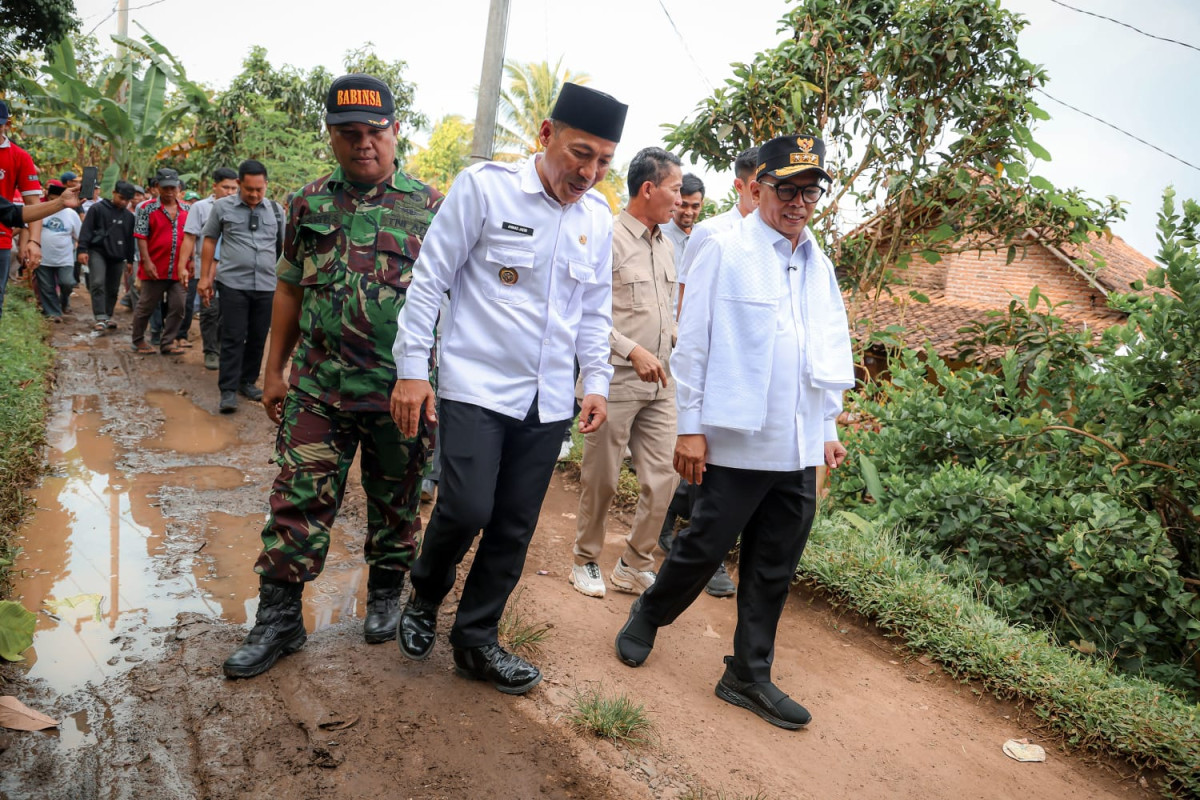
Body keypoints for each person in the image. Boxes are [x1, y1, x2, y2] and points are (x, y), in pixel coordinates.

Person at [391, 82, 626, 695]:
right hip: (476, 383)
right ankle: (423, 596)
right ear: (546, 135)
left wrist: (595, 381)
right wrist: (414, 369)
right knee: (467, 507)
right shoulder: (485, 188)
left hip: (547, 399)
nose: (590, 172)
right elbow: (429, 280)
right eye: (581, 153)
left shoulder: (596, 220)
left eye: (603, 160)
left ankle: (475, 639)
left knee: (515, 525)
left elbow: (595, 310)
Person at [614, 134, 854, 731]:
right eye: (786, 189)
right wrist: (689, 429)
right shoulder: (725, 246)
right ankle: (649, 613)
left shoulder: (816, 261)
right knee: (702, 545)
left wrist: (825, 426)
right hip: (739, 438)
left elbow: (819, 348)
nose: (799, 202)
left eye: (810, 191)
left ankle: (747, 673)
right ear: (755, 188)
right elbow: (692, 344)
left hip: (796, 445)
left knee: (775, 563)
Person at [221, 74, 443, 679]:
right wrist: (274, 370)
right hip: (319, 385)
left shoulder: (432, 207)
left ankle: (385, 596)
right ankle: (280, 617)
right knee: (296, 498)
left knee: (396, 500)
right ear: (331, 136)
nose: (363, 143)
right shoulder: (308, 202)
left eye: (375, 131)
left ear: (396, 132)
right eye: (349, 133)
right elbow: (289, 288)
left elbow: (461, 304)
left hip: (398, 392)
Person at [571, 147, 682, 599]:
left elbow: (667, 310)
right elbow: (584, 310)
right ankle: (585, 559)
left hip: (661, 383)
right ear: (648, 188)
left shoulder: (668, 245)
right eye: (674, 189)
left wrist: (673, 336)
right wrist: (630, 348)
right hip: (613, 379)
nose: (679, 199)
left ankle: (634, 563)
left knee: (664, 478)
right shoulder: (607, 238)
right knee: (604, 476)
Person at [197, 160, 282, 412]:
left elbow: (283, 249)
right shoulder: (222, 207)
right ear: (239, 185)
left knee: (257, 337)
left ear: (266, 185)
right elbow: (210, 240)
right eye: (248, 189)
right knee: (233, 336)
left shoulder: (277, 211)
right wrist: (204, 277)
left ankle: (247, 381)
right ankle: (228, 390)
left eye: (259, 189)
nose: (254, 194)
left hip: (266, 284)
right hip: (233, 283)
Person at [675, 146, 759, 315]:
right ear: (739, 187)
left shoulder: (780, 237)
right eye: (757, 186)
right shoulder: (709, 232)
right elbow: (685, 294)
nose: (764, 193)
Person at [179, 167, 237, 369]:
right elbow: (190, 237)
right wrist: (183, 265)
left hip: (231, 269)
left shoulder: (241, 208)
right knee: (209, 309)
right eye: (225, 187)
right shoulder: (201, 207)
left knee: (227, 312)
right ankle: (210, 351)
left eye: (233, 188)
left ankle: (220, 346)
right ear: (215, 186)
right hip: (204, 266)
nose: (230, 192)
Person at [131, 168, 190, 355]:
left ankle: (168, 342)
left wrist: (192, 262)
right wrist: (146, 262)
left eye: (173, 187)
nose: (169, 191)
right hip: (155, 267)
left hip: (179, 269)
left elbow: (192, 237)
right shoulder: (146, 208)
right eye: (165, 188)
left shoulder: (188, 209)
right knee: (146, 306)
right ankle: (138, 340)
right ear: (157, 187)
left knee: (179, 305)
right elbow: (141, 236)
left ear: (179, 187)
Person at [0, 100, 43, 321]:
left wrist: (34, 241)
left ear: (6, 124)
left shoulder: (19, 156)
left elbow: (33, 204)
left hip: (1, 239)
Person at [79, 181, 137, 331]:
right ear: (113, 193)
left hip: (117, 255)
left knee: (113, 288)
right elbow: (87, 229)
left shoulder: (129, 217)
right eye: (121, 198)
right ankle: (100, 316)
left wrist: (130, 260)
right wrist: (82, 249)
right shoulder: (97, 209)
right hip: (98, 251)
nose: (123, 202)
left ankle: (107, 315)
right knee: (97, 282)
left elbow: (130, 239)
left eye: (127, 200)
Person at [33, 182, 81, 321]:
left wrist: (82, 249)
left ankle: (64, 300)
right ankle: (53, 313)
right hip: (43, 256)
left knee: (67, 282)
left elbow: (80, 235)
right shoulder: (40, 211)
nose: (55, 202)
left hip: (64, 257)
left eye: (58, 199)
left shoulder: (71, 214)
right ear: (48, 198)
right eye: (52, 199)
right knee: (47, 287)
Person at [660, 172, 704, 272]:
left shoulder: (705, 238)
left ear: (702, 204)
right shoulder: (658, 235)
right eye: (684, 205)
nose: (689, 212)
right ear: (675, 201)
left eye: (695, 206)